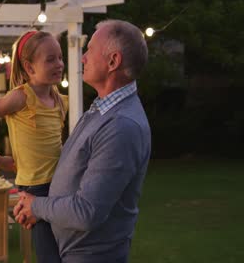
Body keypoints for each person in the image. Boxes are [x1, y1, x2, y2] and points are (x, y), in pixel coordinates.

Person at [14, 19, 151, 263]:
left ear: (113, 61)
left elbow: (87, 212)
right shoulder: (102, 109)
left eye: (89, 50)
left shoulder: (121, 126)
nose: (82, 58)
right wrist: (41, 210)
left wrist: (37, 206)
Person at [0, 30, 67, 263]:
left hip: (59, 184)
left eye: (60, 57)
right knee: (48, 255)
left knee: (66, 250)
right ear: (29, 68)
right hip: (35, 187)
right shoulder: (20, 97)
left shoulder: (59, 99)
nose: (59, 64)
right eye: (50, 59)